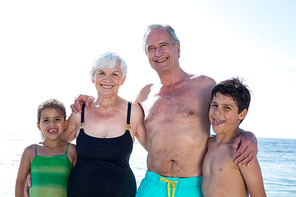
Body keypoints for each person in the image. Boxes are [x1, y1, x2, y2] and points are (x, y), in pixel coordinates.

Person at [71, 24, 258, 197]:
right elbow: (114, 111)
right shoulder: (145, 94)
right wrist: (89, 101)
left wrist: (248, 135)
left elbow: (225, 119)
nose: (157, 52)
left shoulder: (204, 85)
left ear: (177, 48)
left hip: (193, 186)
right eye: (151, 48)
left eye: (163, 45)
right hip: (153, 184)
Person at [64, 52, 146, 197]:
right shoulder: (80, 112)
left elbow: (155, 151)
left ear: (123, 79)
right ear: (92, 77)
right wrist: (33, 173)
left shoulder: (133, 111)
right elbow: (54, 146)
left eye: (115, 74)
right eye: (101, 73)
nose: (108, 79)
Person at [202, 78, 266, 197]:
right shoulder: (209, 144)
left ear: (242, 114)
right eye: (214, 105)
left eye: (227, 107)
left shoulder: (242, 152)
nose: (217, 112)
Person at [15, 99, 77, 197]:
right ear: (39, 126)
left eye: (57, 119)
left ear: (65, 124)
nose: (52, 123)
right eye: (46, 120)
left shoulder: (71, 151)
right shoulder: (30, 151)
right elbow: (20, 181)